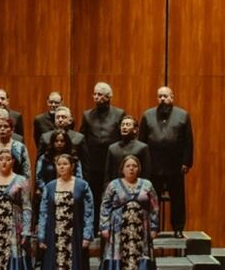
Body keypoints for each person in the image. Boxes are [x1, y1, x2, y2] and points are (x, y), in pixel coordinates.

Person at [99, 155, 159, 270]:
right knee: (122, 266)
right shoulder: (114, 185)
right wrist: (104, 226)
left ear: (138, 168)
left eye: (134, 166)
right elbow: (105, 206)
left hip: (141, 233)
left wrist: (154, 227)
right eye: (128, 166)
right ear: (122, 169)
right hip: (119, 233)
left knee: (137, 266)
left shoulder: (147, 185)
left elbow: (154, 207)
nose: (131, 168)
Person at [38, 154, 94, 270]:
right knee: (54, 267)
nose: (62, 167)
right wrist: (41, 236)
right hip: (54, 235)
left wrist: (87, 235)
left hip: (74, 235)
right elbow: (43, 213)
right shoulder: (49, 187)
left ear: (72, 166)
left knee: (74, 267)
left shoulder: (82, 186)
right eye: (59, 164)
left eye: (65, 164)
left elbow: (89, 213)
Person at [139, 86, 194, 237]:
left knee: (177, 198)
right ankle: (152, 227)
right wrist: (142, 164)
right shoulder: (147, 115)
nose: (162, 99)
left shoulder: (183, 115)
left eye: (165, 96)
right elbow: (141, 142)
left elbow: (188, 141)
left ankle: (178, 228)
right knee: (151, 199)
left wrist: (186, 162)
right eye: (160, 96)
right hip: (153, 165)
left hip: (175, 165)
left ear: (172, 97)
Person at [80, 82, 126, 226]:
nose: (96, 97)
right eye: (94, 94)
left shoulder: (119, 114)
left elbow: (122, 138)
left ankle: (112, 224)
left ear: (107, 97)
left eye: (99, 94)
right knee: (93, 194)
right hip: (93, 162)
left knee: (112, 194)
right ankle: (93, 226)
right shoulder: (87, 115)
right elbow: (82, 138)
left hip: (112, 161)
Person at [35, 130, 84, 197]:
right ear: (52, 142)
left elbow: (79, 177)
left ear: (66, 142)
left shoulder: (74, 158)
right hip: (47, 193)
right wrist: (46, 190)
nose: (59, 143)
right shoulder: (45, 158)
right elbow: (39, 177)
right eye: (56, 141)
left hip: (69, 193)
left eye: (62, 141)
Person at [105, 115, 152, 184]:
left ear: (135, 130)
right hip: (116, 188)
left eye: (128, 125)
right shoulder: (112, 148)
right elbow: (107, 174)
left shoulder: (142, 147)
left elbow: (146, 173)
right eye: (122, 125)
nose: (124, 127)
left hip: (136, 188)